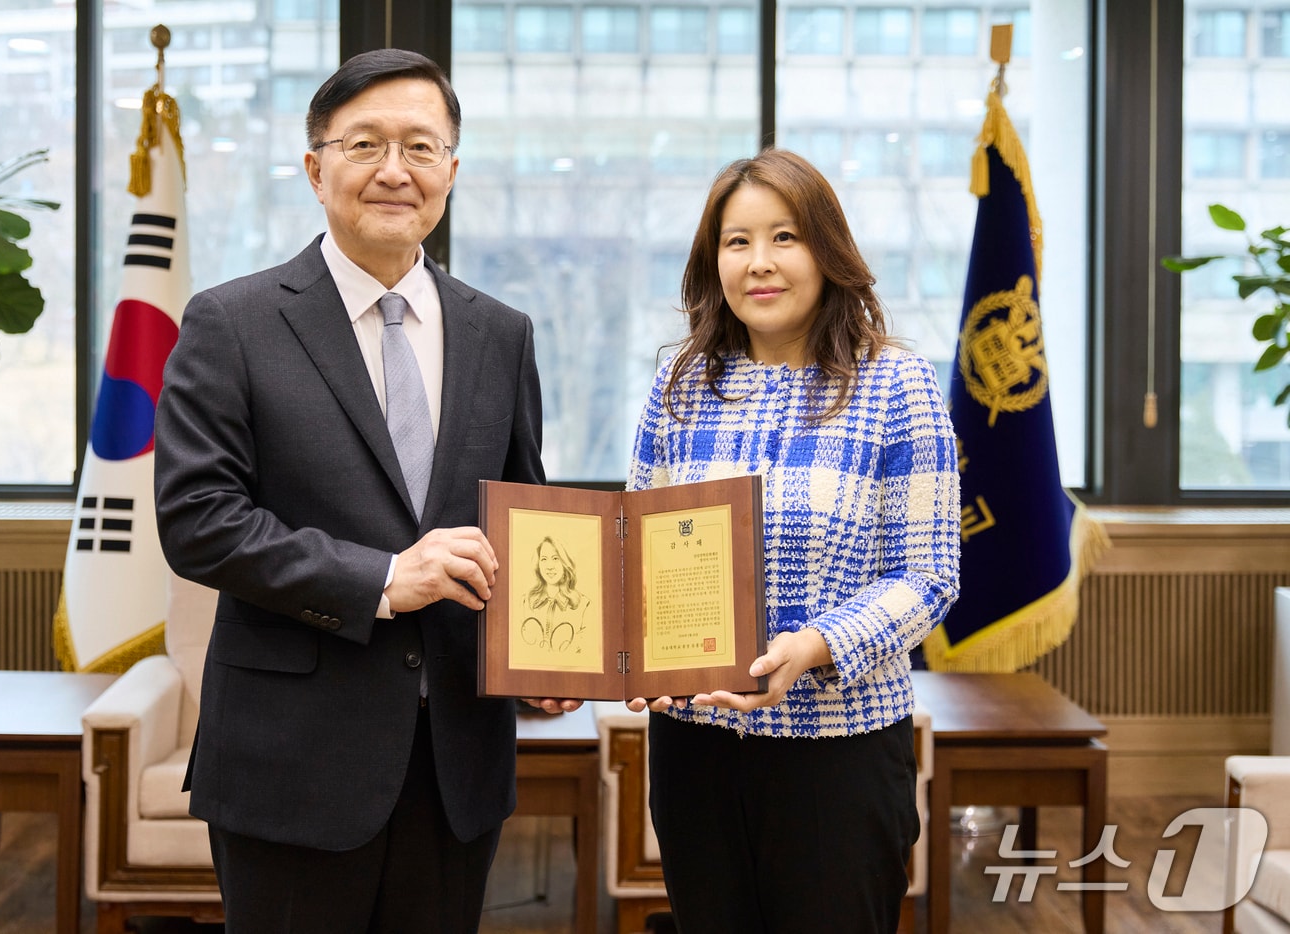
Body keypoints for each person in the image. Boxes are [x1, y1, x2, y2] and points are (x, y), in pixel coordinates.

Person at [153, 48, 577, 934]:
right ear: (316, 168)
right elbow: (199, 523)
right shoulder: (231, 323)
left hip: (458, 762)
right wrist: (384, 579)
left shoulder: (501, 332)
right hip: (289, 762)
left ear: (451, 172)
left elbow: (525, 514)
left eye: (421, 148)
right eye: (365, 145)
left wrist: (551, 653)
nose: (395, 171)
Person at [625, 148, 961, 934]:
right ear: (715, 262)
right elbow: (635, 551)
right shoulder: (678, 386)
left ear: (827, 250)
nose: (760, 263)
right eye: (737, 242)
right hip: (694, 747)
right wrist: (625, 652)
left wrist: (814, 645)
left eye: (784, 237)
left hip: (836, 750)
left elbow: (928, 576)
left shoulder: (896, 385)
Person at [518, 536, 590, 652]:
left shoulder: (584, 606)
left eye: (556, 558)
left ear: (565, 563)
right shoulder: (525, 602)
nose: (549, 566)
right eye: (544, 559)